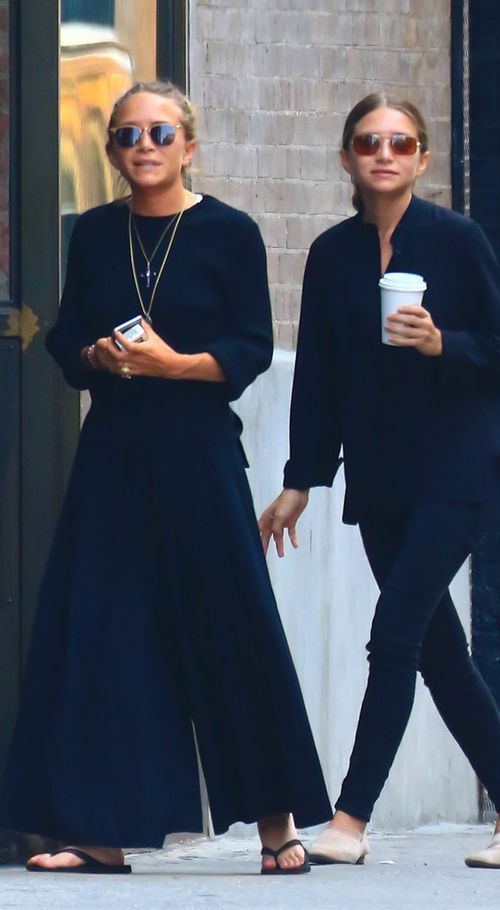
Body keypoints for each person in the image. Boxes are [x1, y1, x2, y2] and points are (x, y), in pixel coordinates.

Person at [0, 80, 332, 875]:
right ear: (112, 152)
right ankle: (98, 833)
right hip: (114, 453)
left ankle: (275, 825)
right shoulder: (94, 235)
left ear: (188, 143)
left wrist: (174, 364)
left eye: (157, 132)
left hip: (199, 453)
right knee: (102, 635)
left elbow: (250, 344)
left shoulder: (229, 232)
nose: (141, 146)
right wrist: (96, 356)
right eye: (125, 135)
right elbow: (67, 334)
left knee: (232, 628)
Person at [259, 92, 500, 870]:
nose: (383, 155)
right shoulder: (330, 255)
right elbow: (317, 378)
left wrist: (440, 345)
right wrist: (301, 480)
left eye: (399, 143)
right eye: (368, 142)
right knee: (437, 652)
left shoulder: (457, 240)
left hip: (462, 469)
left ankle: (351, 819)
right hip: (383, 476)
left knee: (393, 636)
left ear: (421, 158)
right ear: (348, 158)